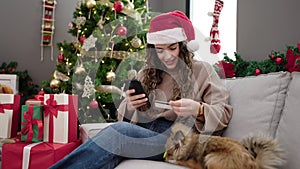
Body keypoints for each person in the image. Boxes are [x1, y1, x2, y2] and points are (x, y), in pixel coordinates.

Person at [49, 10, 232, 169]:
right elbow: (124, 118)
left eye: (172, 48)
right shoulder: (147, 73)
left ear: (183, 46)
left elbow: (223, 112)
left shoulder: (202, 70)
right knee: (109, 154)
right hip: (143, 130)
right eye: (159, 50)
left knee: (119, 133)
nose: (166, 56)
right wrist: (129, 105)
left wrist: (198, 109)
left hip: (175, 138)